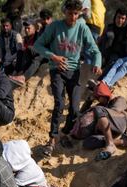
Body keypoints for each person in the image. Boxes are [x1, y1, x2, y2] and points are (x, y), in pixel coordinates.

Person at [33, 0, 102, 156]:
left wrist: (97, 63)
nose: (73, 17)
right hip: (57, 69)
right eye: (70, 13)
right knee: (59, 103)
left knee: (75, 109)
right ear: (65, 12)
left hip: (75, 71)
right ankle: (52, 139)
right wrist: (54, 57)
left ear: (79, 13)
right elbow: (38, 45)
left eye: (76, 14)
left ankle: (64, 134)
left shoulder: (82, 27)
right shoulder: (55, 26)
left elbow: (95, 50)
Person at [63, 81, 127, 160]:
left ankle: (110, 144)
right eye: (97, 97)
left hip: (119, 123)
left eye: (99, 96)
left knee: (97, 110)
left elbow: (115, 112)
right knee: (87, 143)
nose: (98, 99)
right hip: (109, 131)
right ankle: (121, 142)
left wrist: (98, 117)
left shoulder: (119, 100)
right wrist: (89, 101)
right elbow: (80, 113)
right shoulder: (100, 107)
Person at [8, 20, 46, 86]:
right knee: (20, 52)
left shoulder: (39, 36)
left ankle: (23, 76)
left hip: (41, 55)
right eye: (25, 28)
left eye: (29, 28)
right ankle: (17, 73)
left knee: (30, 50)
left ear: (34, 29)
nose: (26, 30)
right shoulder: (25, 39)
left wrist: (28, 48)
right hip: (29, 57)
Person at [98, 7, 127, 74]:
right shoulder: (110, 27)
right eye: (118, 17)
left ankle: (101, 79)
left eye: (122, 18)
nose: (120, 20)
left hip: (119, 55)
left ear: (125, 19)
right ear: (115, 17)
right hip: (105, 52)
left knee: (112, 62)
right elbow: (100, 41)